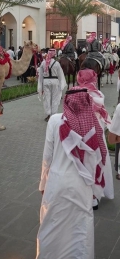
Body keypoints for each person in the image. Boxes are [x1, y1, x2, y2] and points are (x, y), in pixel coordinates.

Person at [37, 87, 108, 258]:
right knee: (80, 229)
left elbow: (47, 158)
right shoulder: (94, 124)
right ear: (87, 101)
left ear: (66, 102)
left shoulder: (54, 121)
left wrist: (43, 183)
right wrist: (96, 190)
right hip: (82, 186)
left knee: (52, 225)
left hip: (57, 183)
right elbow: (101, 159)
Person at [76, 68, 114, 209]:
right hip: (96, 133)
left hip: (81, 133)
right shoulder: (98, 94)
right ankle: (95, 196)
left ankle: (85, 194)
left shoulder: (75, 93)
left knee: (84, 161)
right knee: (98, 160)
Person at [37, 49, 67, 122]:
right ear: (54, 54)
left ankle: (48, 115)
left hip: (46, 82)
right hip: (55, 82)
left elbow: (40, 76)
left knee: (47, 98)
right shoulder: (57, 63)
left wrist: (40, 86)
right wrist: (61, 84)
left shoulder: (43, 63)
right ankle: (53, 115)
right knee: (54, 98)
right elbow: (60, 75)